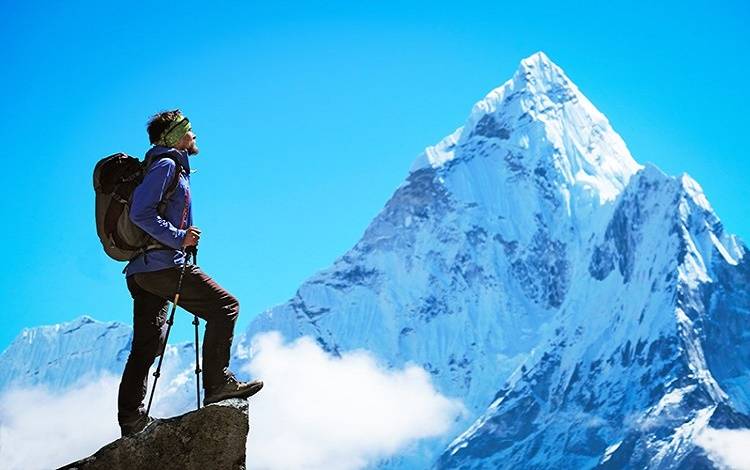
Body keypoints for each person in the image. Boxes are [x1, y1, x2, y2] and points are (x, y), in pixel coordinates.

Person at [117, 109, 263, 437]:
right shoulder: (167, 165)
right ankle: (217, 384)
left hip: (142, 271)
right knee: (226, 307)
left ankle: (131, 418)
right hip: (162, 265)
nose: (194, 135)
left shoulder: (161, 166)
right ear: (174, 136)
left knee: (146, 344)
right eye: (188, 129)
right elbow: (141, 212)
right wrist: (178, 236)